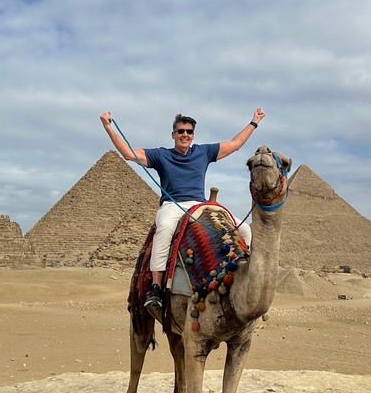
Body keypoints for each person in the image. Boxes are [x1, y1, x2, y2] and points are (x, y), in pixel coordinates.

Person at [100, 108, 265, 316]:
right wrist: (108, 127)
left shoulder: (203, 152)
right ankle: (156, 288)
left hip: (201, 206)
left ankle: (245, 285)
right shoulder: (161, 155)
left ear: (193, 135)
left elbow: (235, 145)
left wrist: (254, 122)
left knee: (245, 230)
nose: (184, 135)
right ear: (173, 134)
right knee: (165, 229)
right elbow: (127, 153)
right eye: (180, 131)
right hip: (173, 205)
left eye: (188, 131)